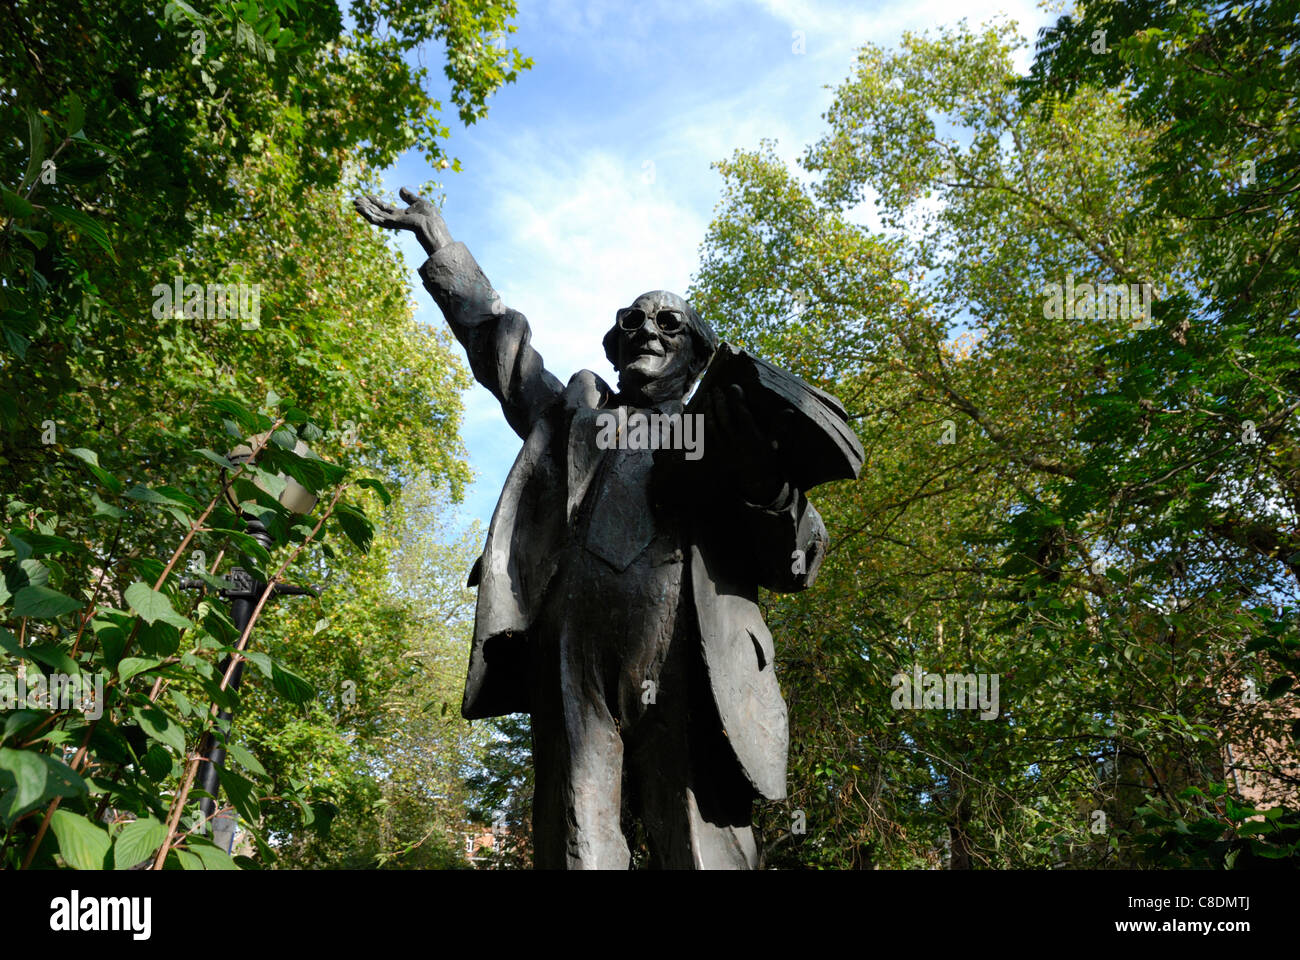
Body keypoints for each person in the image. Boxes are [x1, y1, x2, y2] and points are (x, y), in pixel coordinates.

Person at [355, 187, 829, 868]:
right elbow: (499, 346)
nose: (648, 331)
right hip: (571, 651)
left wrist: (765, 480)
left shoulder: (724, 434)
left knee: (701, 840)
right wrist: (442, 247)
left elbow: (798, 560)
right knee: (575, 834)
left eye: (670, 324)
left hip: (693, 658)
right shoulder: (579, 415)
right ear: (613, 347)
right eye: (632, 321)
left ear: (697, 356)